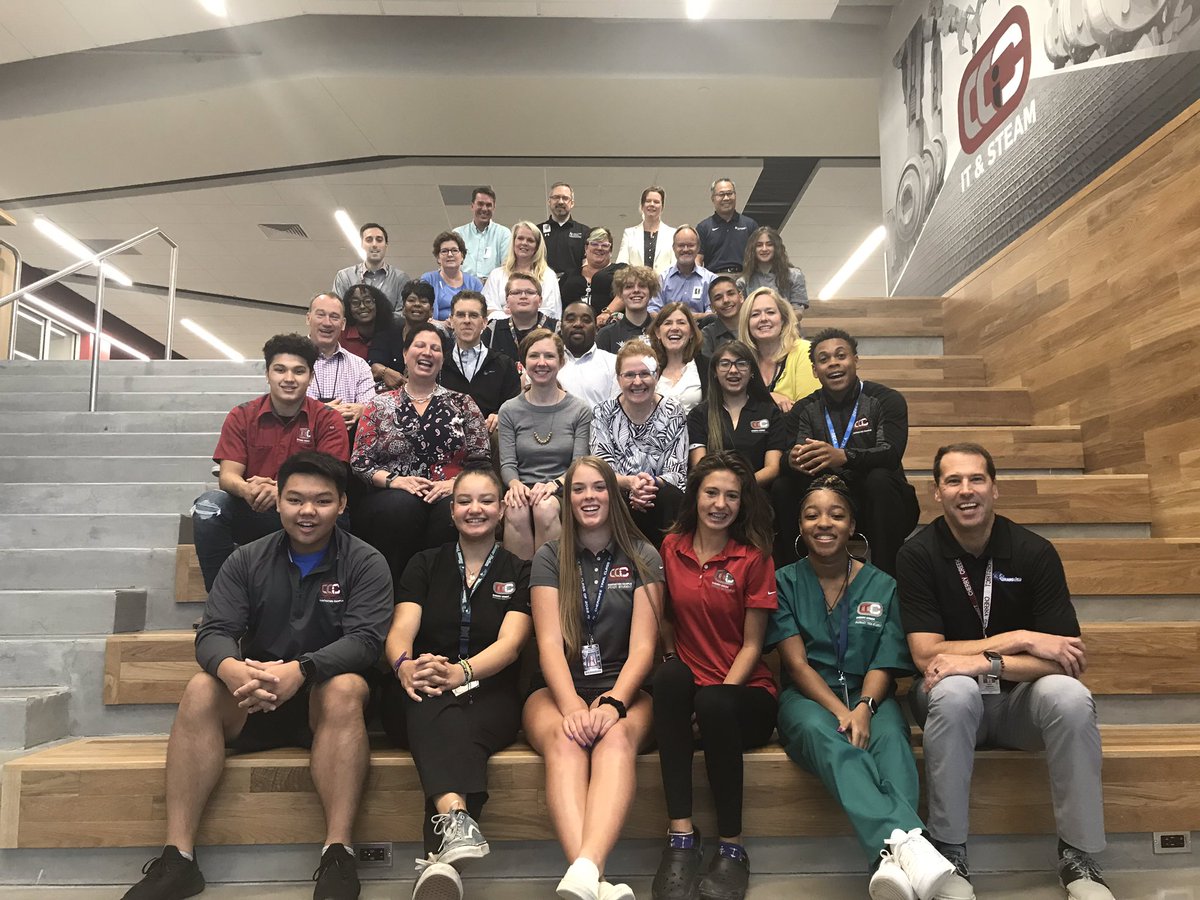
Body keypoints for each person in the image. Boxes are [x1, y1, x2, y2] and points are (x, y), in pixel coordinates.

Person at [120, 451, 392, 900]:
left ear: (342, 504)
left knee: (347, 688)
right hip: (254, 694)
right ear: (278, 502)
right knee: (200, 688)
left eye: (322, 501)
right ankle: (178, 858)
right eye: (296, 499)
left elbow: (366, 642)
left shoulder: (366, 562)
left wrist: (302, 670)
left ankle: (338, 854)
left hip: (321, 698)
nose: (308, 512)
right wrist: (233, 671)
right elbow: (214, 633)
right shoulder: (246, 559)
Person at [896, 444, 1113, 900]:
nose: (966, 491)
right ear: (937, 492)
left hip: (1018, 705)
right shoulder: (917, 554)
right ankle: (950, 852)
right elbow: (926, 655)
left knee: (1069, 696)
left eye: (976, 479)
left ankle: (1080, 860)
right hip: (948, 703)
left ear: (995, 487)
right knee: (955, 690)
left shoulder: (1034, 551)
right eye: (953, 481)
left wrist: (982, 661)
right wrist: (1019, 638)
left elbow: (1067, 659)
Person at [767, 474, 955, 900]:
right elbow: (795, 664)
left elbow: (886, 661)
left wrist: (866, 706)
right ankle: (910, 844)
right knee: (830, 739)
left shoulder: (883, 584)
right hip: (810, 698)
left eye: (836, 514)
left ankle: (889, 864)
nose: (824, 523)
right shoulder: (784, 582)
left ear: (853, 525)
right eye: (812, 515)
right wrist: (841, 711)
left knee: (891, 741)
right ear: (799, 525)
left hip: (873, 693)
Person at [381, 467, 533, 900]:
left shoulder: (519, 570)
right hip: (418, 686)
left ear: (502, 509)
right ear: (451, 512)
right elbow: (401, 631)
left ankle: (442, 857)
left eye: (486, 500)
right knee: (432, 700)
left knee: (451, 715)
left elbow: (512, 644)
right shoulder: (425, 562)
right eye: (465, 501)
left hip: (490, 694)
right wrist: (405, 666)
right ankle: (456, 823)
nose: (475, 509)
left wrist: (460, 673)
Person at [522, 456, 664, 900]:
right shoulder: (549, 556)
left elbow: (645, 647)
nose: (588, 497)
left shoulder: (643, 554)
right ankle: (592, 879)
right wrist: (572, 707)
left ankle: (584, 874)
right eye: (578, 489)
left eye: (598, 488)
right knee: (566, 739)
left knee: (615, 739)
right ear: (567, 499)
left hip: (626, 688)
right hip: (560, 688)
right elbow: (547, 644)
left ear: (613, 495)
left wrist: (614, 702)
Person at [651, 453, 779, 900]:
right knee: (667, 681)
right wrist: (673, 657)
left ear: (743, 503)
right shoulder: (671, 547)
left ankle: (732, 848)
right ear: (696, 496)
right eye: (711, 492)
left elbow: (752, 645)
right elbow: (666, 619)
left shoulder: (754, 557)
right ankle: (681, 836)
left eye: (731, 495)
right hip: (695, 692)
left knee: (712, 702)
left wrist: (715, 701)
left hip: (746, 696)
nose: (720, 503)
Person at [192, 333, 349, 593]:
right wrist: (248, 489)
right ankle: (223, 601)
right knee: (209, 507)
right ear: (267, 374)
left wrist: (280, 491)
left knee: (339, 516)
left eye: (299, 371)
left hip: (306, 511)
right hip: (255, 508)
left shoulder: (327, 419)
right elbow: (228, 476)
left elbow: (330, 477)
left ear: (310, 377)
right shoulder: (242, 415)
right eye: (280, 370)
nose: (289, 379)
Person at [350, 323, 491, 587]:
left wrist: (455, 484)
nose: (427, 353)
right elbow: (361, 462)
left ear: (442, 359)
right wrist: (396, 481)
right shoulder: (379, 404)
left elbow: (481, 462)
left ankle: (440, 596)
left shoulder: (463, 403)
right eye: (420, 346)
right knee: (401, 508)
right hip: (392, 493)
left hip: (449, 489)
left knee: (449, 513)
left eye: (435, 348)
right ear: (405, 354)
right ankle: (390, 594)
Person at [774, 328, 920, 576]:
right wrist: (793, 460)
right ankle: (791, 577)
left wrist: (843, 456)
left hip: (877, 504)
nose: (833, 363)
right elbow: (789, 456)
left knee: (880, 479)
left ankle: (888, 579)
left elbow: (890, 453)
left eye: (840, 356)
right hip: (825, 504)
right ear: (814, 371)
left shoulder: (885, 399)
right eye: (824, 359)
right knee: (782, 486)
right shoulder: (804, 409)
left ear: (855, 360)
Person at [498, 329, 592, 561]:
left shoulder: (580, 410)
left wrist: (554, 485)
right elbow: (508, 463)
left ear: (561, 361)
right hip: (521, 488)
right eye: (534, 356)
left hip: (562, 490)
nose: (541, 363)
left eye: (549, 356)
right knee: (515, 510)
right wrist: (515, 484)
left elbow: (578, 464)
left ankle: (554, 584)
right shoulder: (509, 410)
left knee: (545, 507)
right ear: (523, 362)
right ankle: (519, 589)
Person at [590, 341, 688, 548]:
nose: (638, 381)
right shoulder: (603, 412)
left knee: (670, 496)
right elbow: (602, 468)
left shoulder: (673, 411)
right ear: (618, 378)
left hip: (660, 494)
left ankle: (669, 567)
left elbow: (677, 471)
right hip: (619, 493)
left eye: (645, 374)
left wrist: (646, 484)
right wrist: (630, 484)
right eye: (629, 375)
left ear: (657, 375)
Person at [687, 341, 787, 489]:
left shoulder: (770, 413)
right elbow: (699, 466)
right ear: (714, 371)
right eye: (725, 364)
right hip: (714, 494)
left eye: (741, 364)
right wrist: (725, 489)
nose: (733, 370)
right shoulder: (699, 415)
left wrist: (739, 486)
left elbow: (772, 468)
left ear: (752, 371)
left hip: (755, 494)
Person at [439, 291, 521, 436]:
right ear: (451, 321)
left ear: (484, 322)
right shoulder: (439, 365)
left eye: (473, 315)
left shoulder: (504, 364)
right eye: (460, 315)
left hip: (491, 435)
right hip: (446, 438)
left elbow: (514, 406)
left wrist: (500, 415)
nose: (467, 320)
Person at [738, 287, 818, 414]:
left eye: (770, 312)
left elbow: (809, 410)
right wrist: (769, 398)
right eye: (755, 314)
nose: (763, 318)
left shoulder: (804, 351)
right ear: (746, 323)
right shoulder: (742, 360)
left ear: (783, 318)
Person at [305, 290, 376, 429]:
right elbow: (281, 405)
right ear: (308, 318)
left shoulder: (359, 365)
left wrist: (361, 410)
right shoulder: (290, 361)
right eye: (320, 315)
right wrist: (320, 412)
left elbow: (372, 407)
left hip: (346, 444)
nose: (327, 323)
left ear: (343, 324)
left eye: (334, 317)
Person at [368, 280, 451, 391]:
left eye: (423, 301)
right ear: (403, 308)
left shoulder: (441, 339)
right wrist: (386, 372)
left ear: (432, 310)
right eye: (411, 300)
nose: (417, 304)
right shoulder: (386, 335)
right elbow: (373, 366)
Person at [482, 220, 562, 321]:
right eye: (520, 238)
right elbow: (488, 309)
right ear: (513, 242)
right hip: (502, 332)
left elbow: (552, 311)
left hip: (538, 333)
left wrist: (520, 314)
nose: (524, 243)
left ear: (537, 246)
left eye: (530, 240)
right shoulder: (496, 275)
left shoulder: (548, 275)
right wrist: (513, 318)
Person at [332, 222, 410, 313]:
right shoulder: (344, 277)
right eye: (369, 240)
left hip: (388, 327)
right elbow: (337, 311)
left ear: (386, 246)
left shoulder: (400, 278)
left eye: (379, 240)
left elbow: (403, 314)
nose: (374, 244)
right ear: (361, 244)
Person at [646, 301, 706, 413]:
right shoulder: (648, 369)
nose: (674, 328)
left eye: (681, 323)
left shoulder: (707, 367)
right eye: (668, 323)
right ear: (658, 332)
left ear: (692, 332)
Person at [738, 226, 808, 319]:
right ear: (752, 250)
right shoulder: (743, 282)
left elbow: (798, 312)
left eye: (769, 244)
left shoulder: (795, 276)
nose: (764, 249)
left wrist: (777, 324)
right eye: (759, 245)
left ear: (776, 248)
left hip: (788, 329)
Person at [559, 302, 619, 408]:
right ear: (561, 327)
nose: (578, 324)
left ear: (596, 329)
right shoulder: (546, 364)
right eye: (571, 319)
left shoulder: (613, 364)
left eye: (586, 320)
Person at [696, 179, 758, 275]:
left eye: (729, 193)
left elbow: (758, 256)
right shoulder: (703, 227)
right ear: (713, 198)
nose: (726, 198)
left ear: (735, 195)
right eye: (721, 194)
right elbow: (698, 259)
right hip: (714, 279)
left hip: (745, 278)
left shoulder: (750, 224)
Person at [561, 227, 626, 318]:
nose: (599, 248)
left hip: (611, 327)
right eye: (594, 244)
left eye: (605, 245)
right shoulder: (569, 275)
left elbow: (628, 292)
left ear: (610, 251)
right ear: (586, 248)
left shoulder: (622, 270)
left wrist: (606, 314)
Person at [422, 231, 485, 323]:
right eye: (444, 251)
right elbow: (423, 315)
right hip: (435, 330)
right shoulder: (428, 280)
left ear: (462, 256)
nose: (450, 254)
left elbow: (481, 314)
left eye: (454, 250)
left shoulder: (474, 283)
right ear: (438, 258)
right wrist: (442, 324)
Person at [615, 186, 677, 275]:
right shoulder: (629, 233)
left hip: (665, 286)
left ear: (662, 207)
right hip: (636, 286)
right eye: (648, 201)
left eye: (656, 202)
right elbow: (621, 264)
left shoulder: (672, 234)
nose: (652, 204)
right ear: (642, 205)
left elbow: (675, 265)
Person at [596, 265, 657, 353]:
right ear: (620, 294)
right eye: (629, 286)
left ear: (651, 292)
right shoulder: (607, 334)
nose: (636, 290)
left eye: (642, 286)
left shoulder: (661, 330)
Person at [455, 187, 512, 279]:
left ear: (494, 208)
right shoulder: (458, 234)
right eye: (480, 204)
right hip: (463, 287)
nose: (484, 209)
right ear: (472, 206)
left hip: (492, 287)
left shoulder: (504, 234)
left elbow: (506, 267)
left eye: (489, 205)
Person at [655, 226, 715, 314]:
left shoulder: (711, 280)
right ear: (674, 248)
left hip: (702, 327)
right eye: (681, 245)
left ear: (698, 248)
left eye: (690, 245)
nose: (686, 249)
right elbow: (653, 309)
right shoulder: (662, 279)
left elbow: (712, 314)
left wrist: (690, 319)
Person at [540, 182, 591, 280]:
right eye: (556, 197)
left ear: (572, 203)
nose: (560, 202)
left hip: (573, 289)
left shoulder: (585, 232)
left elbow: (587, 265)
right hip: (544, 286)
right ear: (549, 201)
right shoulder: (537, 231)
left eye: (565, 198)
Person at [340, 282, 394, 361]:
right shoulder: (341, 336)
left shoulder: (391, 335)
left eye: (368, 301)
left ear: (378, 304)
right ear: (348, 307)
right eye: (355, 303)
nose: (362, 306)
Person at [701, 276, 745, 358]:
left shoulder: (754, 327)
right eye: (718, 298)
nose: (726, 300)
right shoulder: (706, 336)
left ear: (741, 297)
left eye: (731, 294)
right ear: (712, 308)